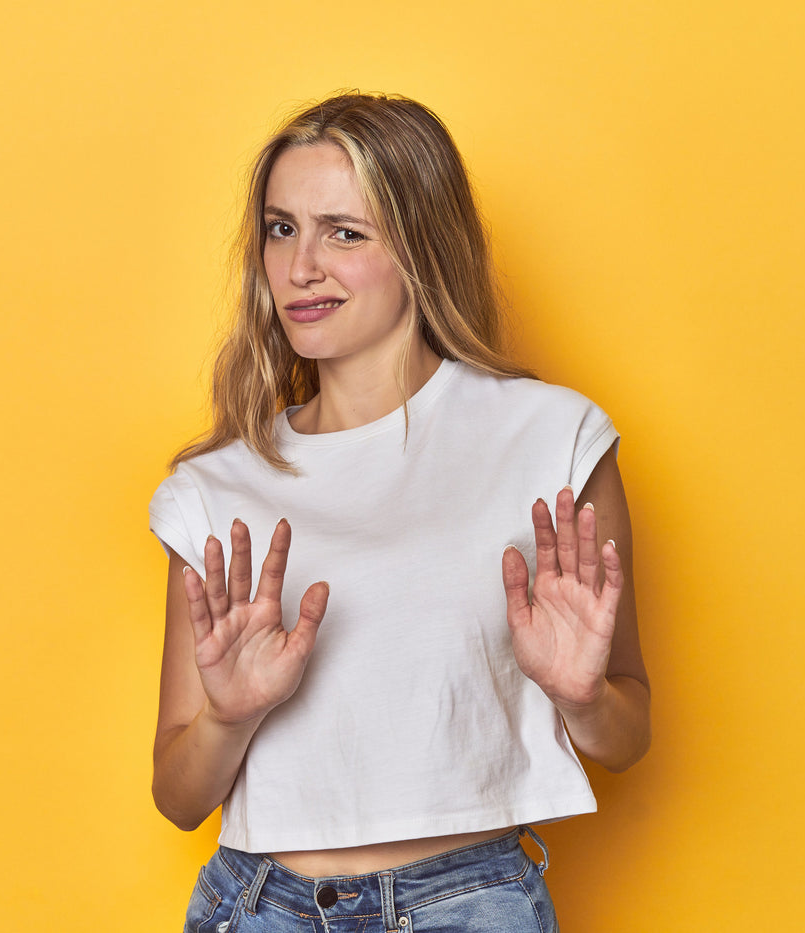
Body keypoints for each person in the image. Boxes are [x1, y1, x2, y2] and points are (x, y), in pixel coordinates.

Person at [148, 92, 650, 933]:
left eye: (344, 232)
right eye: (281, 229)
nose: (301, 266)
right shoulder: (217, 487)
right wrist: (230, 715)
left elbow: (627, 735)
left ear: (420, 245)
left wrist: (581, 694)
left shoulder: (551, 439)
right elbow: (177, 794)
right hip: (262, 907)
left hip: (474, 904)